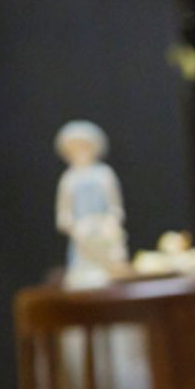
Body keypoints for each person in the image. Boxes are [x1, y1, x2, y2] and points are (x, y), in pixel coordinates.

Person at [54, 120, 128, 288]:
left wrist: (110, 222)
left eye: (84, 146)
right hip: (83, 236)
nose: (80, 152)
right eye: (75, 148)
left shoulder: (104, 174)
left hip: (104, 232)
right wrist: (75, 227)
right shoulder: (69, 179)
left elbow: (115, 207)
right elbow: (63, 214)